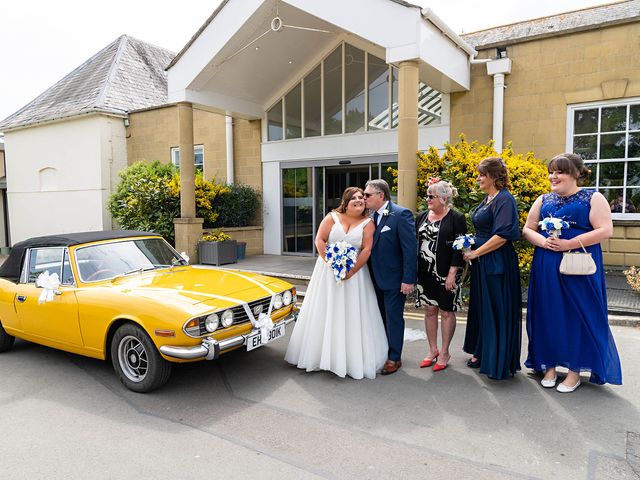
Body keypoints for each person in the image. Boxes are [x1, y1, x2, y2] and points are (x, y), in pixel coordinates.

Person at [523, 153, 622, 392]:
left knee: (578, 314)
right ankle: (548, 365)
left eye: (560, 172)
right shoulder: (543, 199)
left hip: (578, 263)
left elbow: (605, 230)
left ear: (576, 174)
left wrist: (570, 243)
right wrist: (541, 241)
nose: (553, 176)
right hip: (547, 262)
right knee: (548, 312)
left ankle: (574, 371)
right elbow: (527, 228)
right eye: (551, 171)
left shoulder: (593, 197)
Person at [285, 187, 388, 379]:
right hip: (327, 273)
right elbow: (320, 240)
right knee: (324, 310)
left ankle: (350, 359)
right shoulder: (332, 217)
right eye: (354, 198)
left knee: (351, 313)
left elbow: (366, 250)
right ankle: (318, 356)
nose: (359, 200)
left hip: (355, 276)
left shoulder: (368, 223)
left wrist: (350, 272)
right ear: (346, 202)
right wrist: (331, 263)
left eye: (361, 198)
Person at [462, 157, 522, 380]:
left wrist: (476, 252)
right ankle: (484, 351)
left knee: (496, 309)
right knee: (482, 308)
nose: (478, 178)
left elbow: (503, 235)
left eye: (481, 175)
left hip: (496, 262)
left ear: (494, 177)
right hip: (483, 262)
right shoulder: (488, 198)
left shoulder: (505, 200)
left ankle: (497, 358)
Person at [363, 179, 417, 375]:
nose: (364, 198)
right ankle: (382, 351)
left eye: (367, 195)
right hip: (372, 278)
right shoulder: (369, 216)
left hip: (394, 279)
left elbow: (410, 250)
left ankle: (394, 358)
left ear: (381, 196)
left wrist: (408, 279)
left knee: (393, 318)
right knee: (378, 317)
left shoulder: (401, 215)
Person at [415, 180, 467, 372]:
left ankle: (444, 352)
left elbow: (459, 246)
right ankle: (432, 350)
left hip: (446, 273)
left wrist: (453, 273)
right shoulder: (420, 217)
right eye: (427, 195)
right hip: (424, 272)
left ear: (444, 199)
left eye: (431, 196)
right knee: (429, 310)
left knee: (446, 311)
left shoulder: (456, 218)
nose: (427, 199)